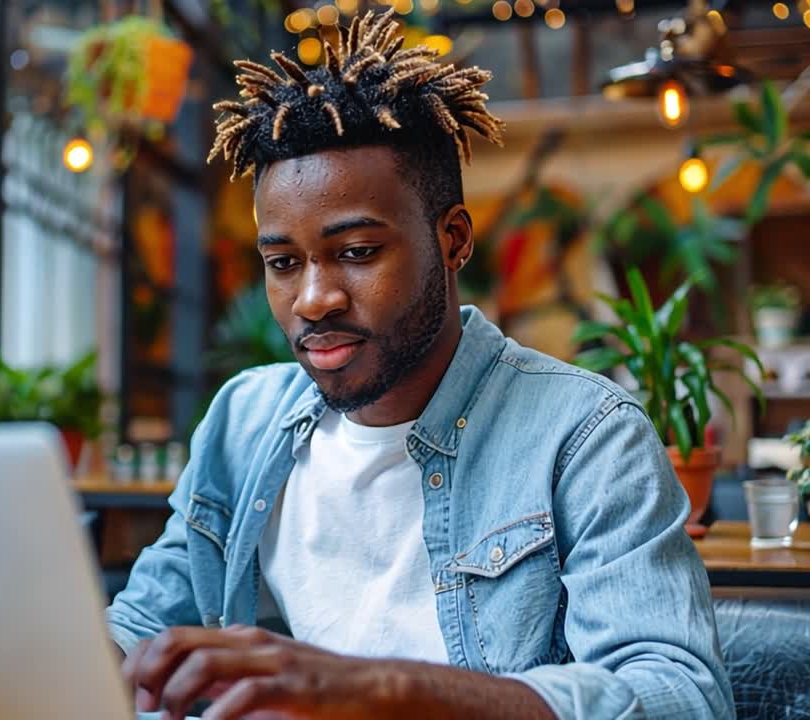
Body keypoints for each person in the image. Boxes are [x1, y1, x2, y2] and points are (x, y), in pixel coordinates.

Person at [108, 9, 735, 720]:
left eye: (356, 252)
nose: (313, 299)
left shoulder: (584, 437)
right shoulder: (242, 422)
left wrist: (387, 689)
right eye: (283, 263)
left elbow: (683, 698)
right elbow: (137, 631)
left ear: (453, 240)